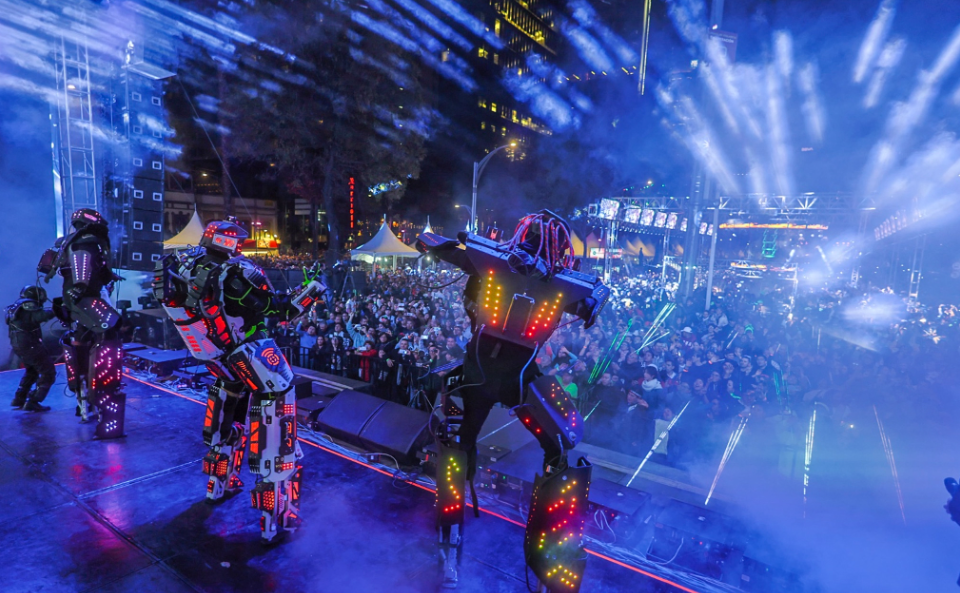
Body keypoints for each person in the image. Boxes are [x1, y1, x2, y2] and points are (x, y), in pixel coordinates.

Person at [153, 220, 326, 542]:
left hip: (216, 356)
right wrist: (312, 291)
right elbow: (282, 310)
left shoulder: (186, 265)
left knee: (226, 417)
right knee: (278, 424)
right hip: (250, 351)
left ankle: (217, 485)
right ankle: (277, 518)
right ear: (229, 242)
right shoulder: (235, 272)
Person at [38, 209, 124, 437]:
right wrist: (81, 286)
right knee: (109, 335)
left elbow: (90, 269)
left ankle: (83, 400)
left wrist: (105, 278)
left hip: (76, 300)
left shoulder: (71, 242)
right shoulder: (86, 241)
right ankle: (103, 404)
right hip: (84, 299)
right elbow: (82, 265)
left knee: (81, 344)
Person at [5, 285, 55, 411]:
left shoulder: (17, 306)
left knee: (32, 371)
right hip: (30, 345)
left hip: (20, 345)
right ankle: (33, 401)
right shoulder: (27, 306)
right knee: (48, 372)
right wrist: (56, 310)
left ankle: (19, 398)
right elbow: (40, 316)